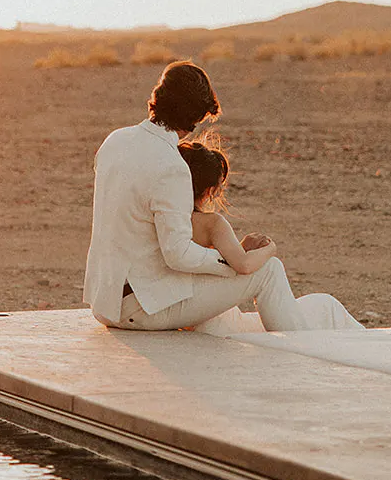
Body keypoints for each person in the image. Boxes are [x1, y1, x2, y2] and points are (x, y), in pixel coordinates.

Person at [84, 61, 313, 332]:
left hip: (104, 303)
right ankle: (301, 354)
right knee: (268, 270)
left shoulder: (114, 141)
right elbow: (177, 255)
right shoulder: (172, 166)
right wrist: (234, 260)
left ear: (157, 98)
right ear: (196, 118)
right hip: (141, 310)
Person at [177, 139, 363, 335]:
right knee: (274, 269)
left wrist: (239, 248)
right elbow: (244, 266)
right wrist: (270, 249)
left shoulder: (165, 222)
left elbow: (202, 265)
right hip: (217, 321)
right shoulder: (211, 223)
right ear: (209, 191)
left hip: (199, 312)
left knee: (325, 305)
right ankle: (308, 343)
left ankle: (365, 347)